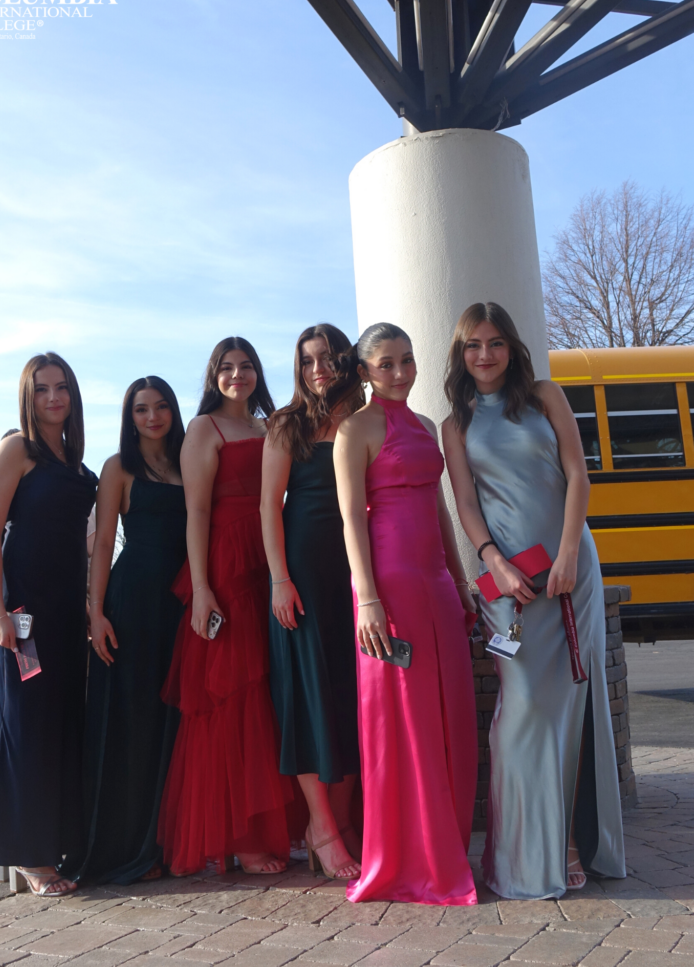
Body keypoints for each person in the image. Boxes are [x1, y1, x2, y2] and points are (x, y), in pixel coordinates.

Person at [442, 302, 626, 900]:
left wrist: (569, 553)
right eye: (474, 345)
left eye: (495, 342)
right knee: (521, 709)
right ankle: (520, 853)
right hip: (509, 585)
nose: (485, 355)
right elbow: (466, 504)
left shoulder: (545, 396)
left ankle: (569, 841)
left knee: (569, 705)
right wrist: (492, 560)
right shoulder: (455, 423)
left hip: (571, 574)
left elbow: (578, 476)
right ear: (461, 354)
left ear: (511, 347)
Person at [333, 323, 478, 905]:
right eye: (387, 363)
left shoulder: (424, 426)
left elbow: (440, 506)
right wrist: (366, 597)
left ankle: (447, 847)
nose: (400, 373)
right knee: (405, 719)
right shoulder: (354, 430)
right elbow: (351, 520)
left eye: (407, 360)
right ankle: (409, 857)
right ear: (364, 372)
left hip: (436, 582)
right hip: (388, 587)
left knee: (448, 712)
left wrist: (460, 580)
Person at [159, 338, 297, 875]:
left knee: (270, 692)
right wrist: (201, 587)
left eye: (246, 366)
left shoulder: (271, 426)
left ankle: (274, 824)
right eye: (227, 367)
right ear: (213, 376)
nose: (237, 375)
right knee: (234, 694)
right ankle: (240, 836)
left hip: (272, 559)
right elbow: (195, 511)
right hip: (228, 565)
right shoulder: (204, 428)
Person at [0, 353, 97, 896]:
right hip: (23, 617)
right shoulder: (15, 450)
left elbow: (86, 541)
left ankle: (59, 842)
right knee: (26, 725)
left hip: (67, 613)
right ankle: (28, 853)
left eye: (61, 387)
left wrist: (92, 604)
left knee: (61, 724)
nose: (53, 397)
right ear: (28, 396)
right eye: (42, 388)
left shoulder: (77, 462)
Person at [74, 376, 187, 884]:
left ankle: (168, 843)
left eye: (161, 407)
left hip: (182, 602)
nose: (153, 417)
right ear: (130, 417)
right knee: (134, 721)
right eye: (142, 409)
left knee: (174, 723)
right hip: (132, 603)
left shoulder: (188, 460)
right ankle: (128, 847)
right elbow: (102, 544)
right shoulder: (117, 467)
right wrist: (96, 612)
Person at [261, 324, 363, 880]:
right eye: (306, 361)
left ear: (345, 360)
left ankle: (341, 822)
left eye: (326, 358)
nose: (317, 369)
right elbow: (267, 507)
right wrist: (280, 578)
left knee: (348, 697)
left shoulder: (365, 418)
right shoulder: (287, 424)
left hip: (355, 572)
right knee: (306, 697)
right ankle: (320, 828)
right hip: (302, 572)